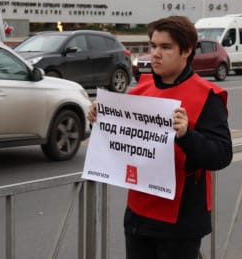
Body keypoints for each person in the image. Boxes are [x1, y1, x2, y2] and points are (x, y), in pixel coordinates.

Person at [87, 15, 233, 259]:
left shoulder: (208, 96)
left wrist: (187, 135)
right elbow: (120, 145)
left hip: (180, 220)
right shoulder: (139, 91)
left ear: (186, 50)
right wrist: (99, 121)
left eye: (165, 47)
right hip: (138, 213)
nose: (155, 53)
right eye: (153, 46)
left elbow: (221, 155)